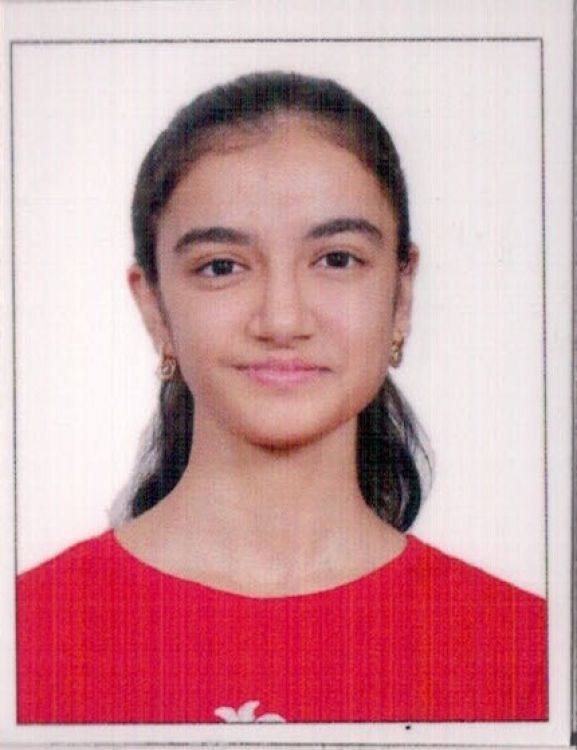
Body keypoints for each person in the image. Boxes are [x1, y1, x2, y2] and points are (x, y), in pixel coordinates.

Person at [17, 71, 546, 724]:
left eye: (337, 259)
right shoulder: (27, 638)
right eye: (221, 266)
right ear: (153, 307)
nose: (282, 319)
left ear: (401, 294)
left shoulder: (525, 652)